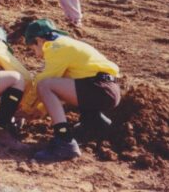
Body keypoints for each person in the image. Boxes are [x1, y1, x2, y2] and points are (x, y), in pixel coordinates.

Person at [20, 19, 121, 163]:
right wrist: (41, 110)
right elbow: (61, 89)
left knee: (44, 85)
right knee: (62, 83)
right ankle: (95, 123)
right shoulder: (66, 43)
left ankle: (65, 142)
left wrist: (25, 109)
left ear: (39, 40)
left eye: (33, 49)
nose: (36, 55)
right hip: (108, 88)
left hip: (100, 89)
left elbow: (43, 82)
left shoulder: (55, 47)